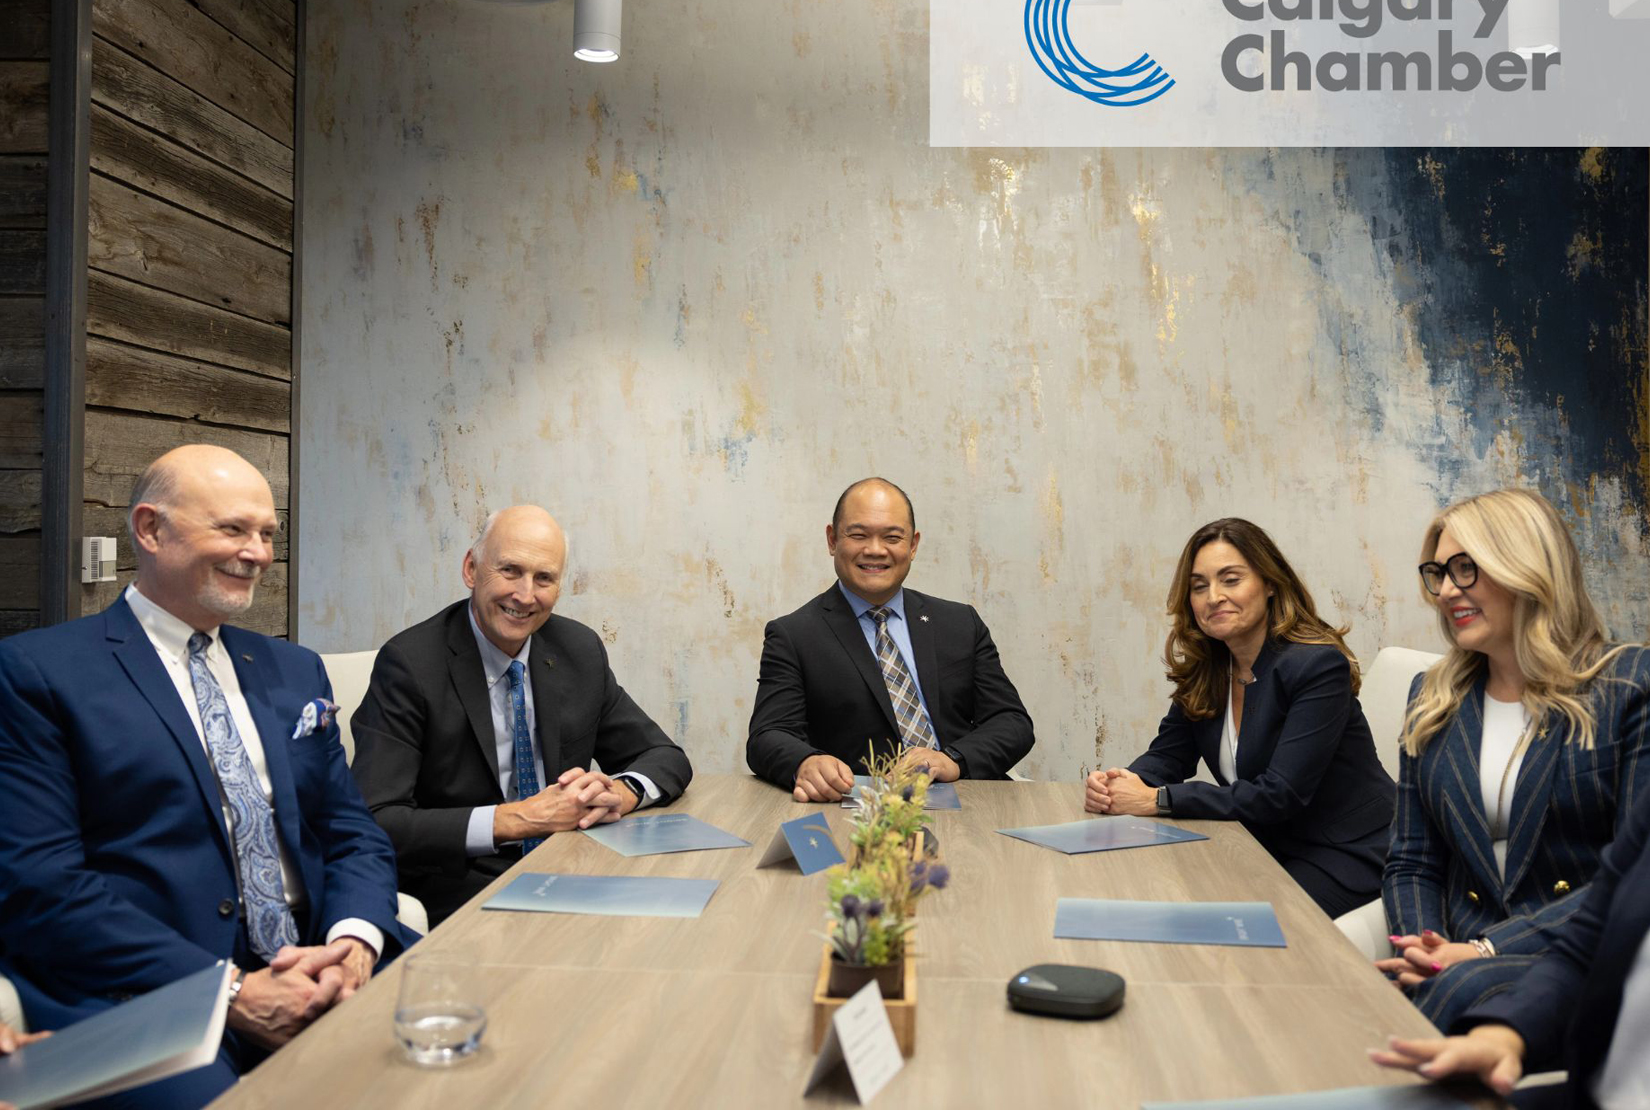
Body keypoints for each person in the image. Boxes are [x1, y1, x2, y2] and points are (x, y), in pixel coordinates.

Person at [0, 446, 408, 1109]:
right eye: (232, 528)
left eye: (268, 534)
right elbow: (42, 887)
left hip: (316, 955)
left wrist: (352, 943)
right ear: (151, 528)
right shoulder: (39, 674)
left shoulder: (294, 668)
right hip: (147, 987)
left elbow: (352, 831)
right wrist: (235, 991)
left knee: (477, 1031)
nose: (256, 552)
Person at [1375, 488, 1650, 1032]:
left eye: (1466, 568)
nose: (1446, 589)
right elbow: (1411, 861)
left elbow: (1635, 877)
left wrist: (1485, 949)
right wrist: (1422, 949)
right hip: (1453, 954)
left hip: (1576, 953)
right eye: (1439, 572)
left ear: (1526, 567)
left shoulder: (1628, 684)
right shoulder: (1430, 698)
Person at [350, 506, 692, 925]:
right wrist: (514, 820)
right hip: (460, 891)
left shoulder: (578, 650)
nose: (526, 596)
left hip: (570, 868)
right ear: (471, 570)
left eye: (544, 578)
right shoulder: (410, 665)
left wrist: (617, 795)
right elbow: (375, 820)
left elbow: (664, 756)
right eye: (510, 571)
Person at [1084, 517, 1394, 919]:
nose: (1213, 597)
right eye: (1199, 586)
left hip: (1349, 851)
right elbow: (1168, 756)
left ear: (1269, 583)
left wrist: (1156, 800)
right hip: (1266, 842)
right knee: (1155, 891)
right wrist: (1120, 784)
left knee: (1228, 924)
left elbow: (1280, 794)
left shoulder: (1317, 666)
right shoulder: (1211, 668)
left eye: (1230, 580)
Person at [746, 477, 1034, 801]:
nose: (875, 550)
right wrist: (805, 762)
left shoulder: (959, 623)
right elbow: (767, 736)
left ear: (912, 545)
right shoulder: (794, 635)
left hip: (968, 799)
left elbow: (1012, 723)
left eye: (892, 537)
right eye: (858, 535)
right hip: (863, 812)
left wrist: (953, 759)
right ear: (832, 540)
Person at [1370, 787, 1650, 1110]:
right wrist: (1504, 1034)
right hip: (1588, 1095)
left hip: (1526, 940)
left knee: (1460, 986)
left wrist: (1486, 948)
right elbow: (1580, 954)